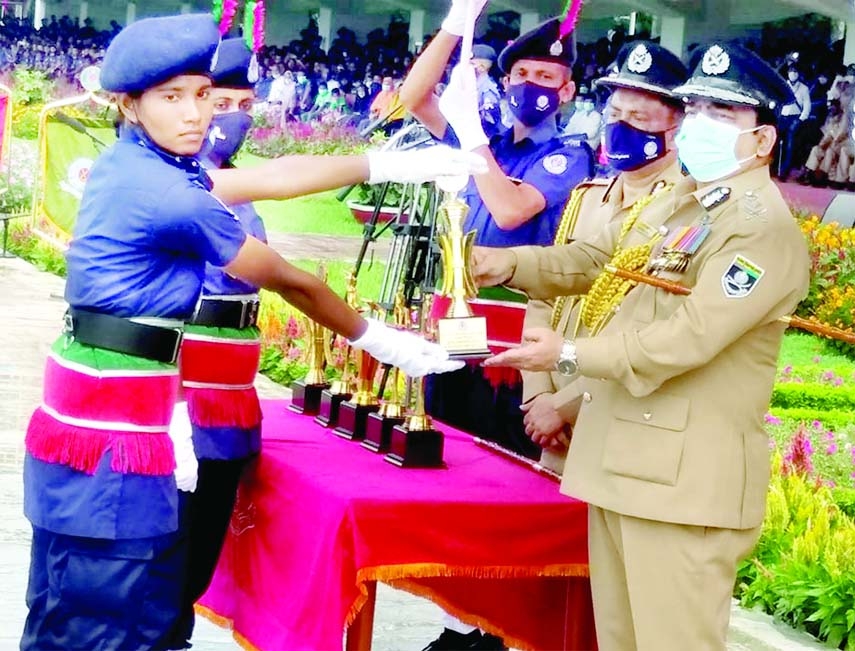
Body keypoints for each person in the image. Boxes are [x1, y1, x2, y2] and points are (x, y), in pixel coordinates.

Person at [19, 14, 484, 651]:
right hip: (115, 438)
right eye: (172, 97)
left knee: (86, 608)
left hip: (107, 416)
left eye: (203, 95)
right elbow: (288, 279)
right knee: (112, 620)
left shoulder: (137, 163)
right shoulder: (169, 195)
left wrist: (384, 164)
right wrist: (382, 340)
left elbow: (271, 176)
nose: (196, 115)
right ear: (129, 103)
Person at [473, 42, 810, 651]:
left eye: (723, 114)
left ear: (761, 141)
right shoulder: (690, 204)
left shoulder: (760, 228)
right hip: (626, 466)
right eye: (697, 107)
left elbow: (689, 337)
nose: (701, 123)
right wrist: (503, 263)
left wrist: (567, 358)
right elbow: (599, 263)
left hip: (682, 487)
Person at [399, 5, 590, 650]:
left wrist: (470, 143)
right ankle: (464, 621)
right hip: (457, 322)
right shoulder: (490, 138)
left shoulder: (566, 152)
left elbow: (510, 214)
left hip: (514, 331)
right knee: (456, 460)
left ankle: (501, 630)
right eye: (524, 73)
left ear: (568, 91)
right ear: (506, 83)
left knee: (508, 475)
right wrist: (456, 23)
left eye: (549, 76)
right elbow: (412, 95)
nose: (534, 85)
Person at [521, 41, 688, 475]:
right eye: (615, 115)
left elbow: (652, 330)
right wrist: (538, 393)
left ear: (676, 130)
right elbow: (545, 298)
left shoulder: (684, 212)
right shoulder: (587, 199)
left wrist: (564, 406)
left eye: (640, 119)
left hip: (613, 420)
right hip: (551, 429)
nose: (621, 127)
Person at [166, 37, 266, 648]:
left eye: (242, 102)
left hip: (228, 398)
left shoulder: (237, 182)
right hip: (180, 396)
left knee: (199, 546)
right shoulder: (170, 180)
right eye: (214, 98)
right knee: (165, 550)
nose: (226, 115)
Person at [471, 43, 502, 138]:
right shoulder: (475, 85)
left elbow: (489, 125)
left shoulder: (487, 91)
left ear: (482, 67)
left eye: (472, 64)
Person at [562, 86, 602, 152]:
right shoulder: (582, 114)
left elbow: (590, 134)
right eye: (586, 102)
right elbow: (571, 127)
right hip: (578, 141)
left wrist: (573, 138)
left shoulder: (596, 116)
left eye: (589, 102)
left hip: (588, 146)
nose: (586, 104)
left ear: (594, 104)